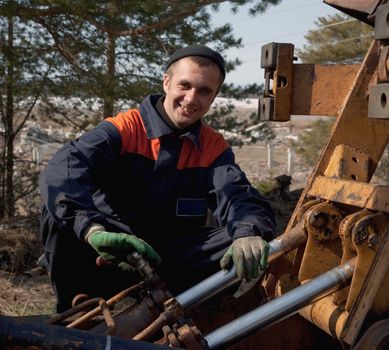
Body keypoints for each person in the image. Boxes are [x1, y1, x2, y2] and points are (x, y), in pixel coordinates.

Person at [40, 44, 276, 312]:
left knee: (240, 239)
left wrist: (247, 231)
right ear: (167, 82)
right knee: (59, 208)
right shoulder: (126, 128)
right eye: (184, 85)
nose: (190, 98)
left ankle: (188, 313)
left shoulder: (213, 147)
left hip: (168, 261)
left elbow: (237, 195)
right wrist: (92, 229)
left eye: (204, 91)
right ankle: (75, 309)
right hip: (112, 253)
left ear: (214, 97)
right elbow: (64, 167)